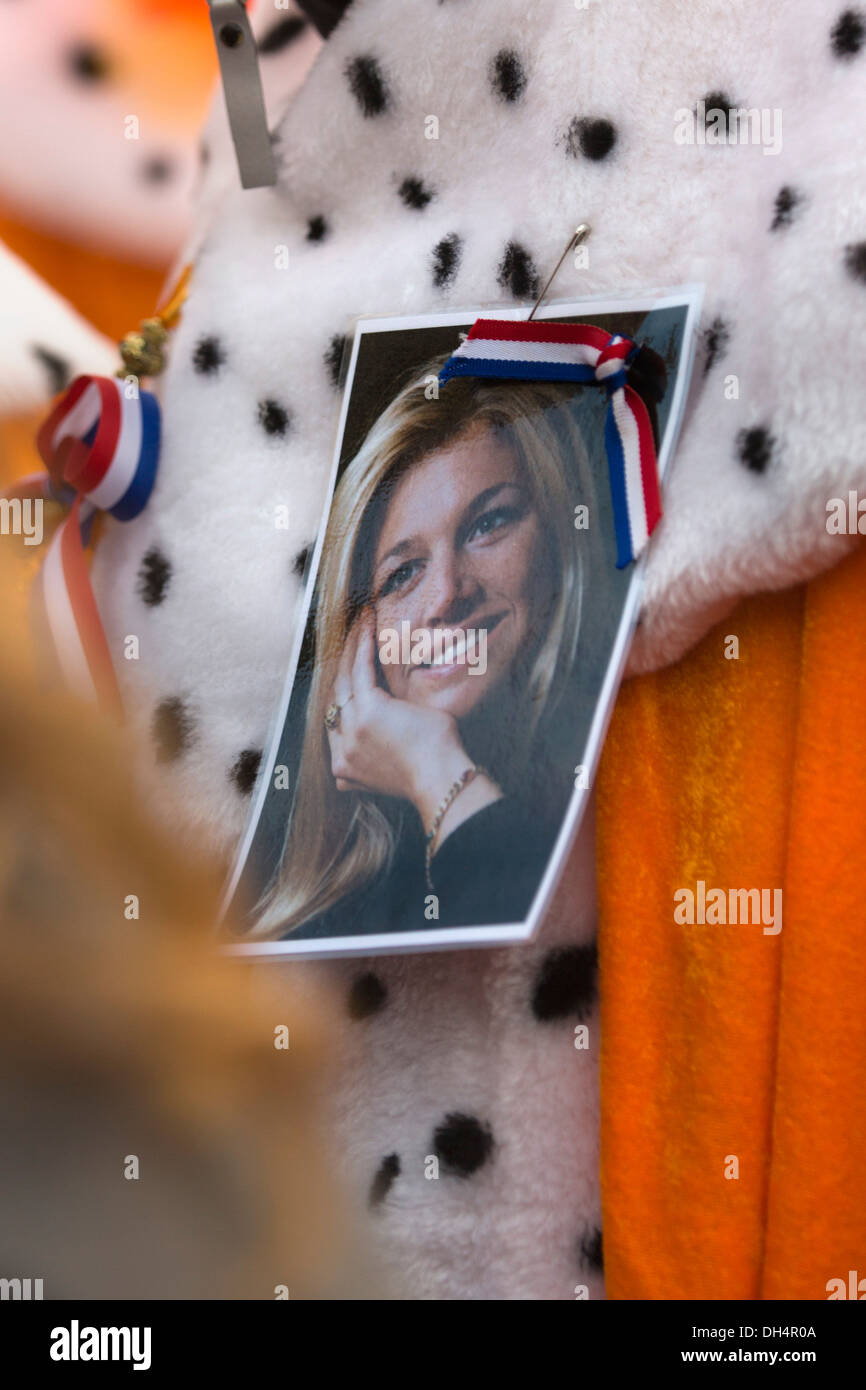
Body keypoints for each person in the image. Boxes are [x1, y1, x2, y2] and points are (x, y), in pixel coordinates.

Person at [253, 357, 605, 940]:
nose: (447, 595)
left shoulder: (623, 800)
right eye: (402, 574)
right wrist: (432, 767)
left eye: (487, 524)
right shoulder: (310, 943)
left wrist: (434, 770)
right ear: (356, 643)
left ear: (559, 538)